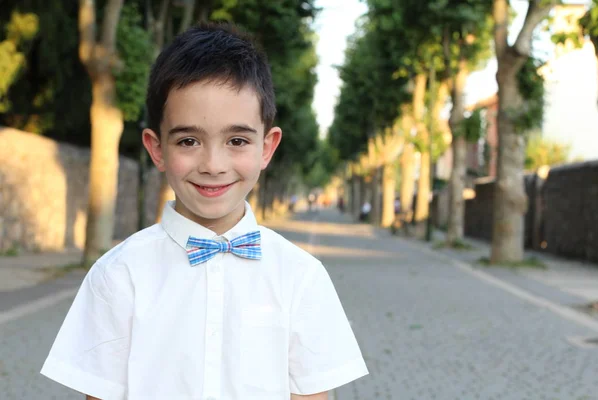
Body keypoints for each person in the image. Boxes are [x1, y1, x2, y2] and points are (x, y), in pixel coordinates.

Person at [40, 23, 368, 400]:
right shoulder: (118, 275)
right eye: (189, 140)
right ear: (157, 147)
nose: (213, 164)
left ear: (267, 146)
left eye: (237, 140)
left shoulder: (301, 277)